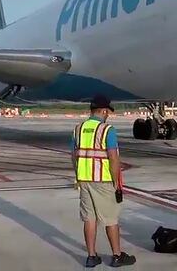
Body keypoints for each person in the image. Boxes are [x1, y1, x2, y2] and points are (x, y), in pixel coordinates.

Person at [72, 94, 136, 268]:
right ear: (103, 110)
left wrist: (78, 176)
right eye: (107, 111)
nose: (108, 114)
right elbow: (113, 158)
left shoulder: (78, 129)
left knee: (89, 219)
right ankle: (116, 255)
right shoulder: (107, 130)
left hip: (84, 180)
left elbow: (74, 156)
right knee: (111, 219)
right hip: (103, 180)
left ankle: (91, 256)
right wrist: (116, 183)